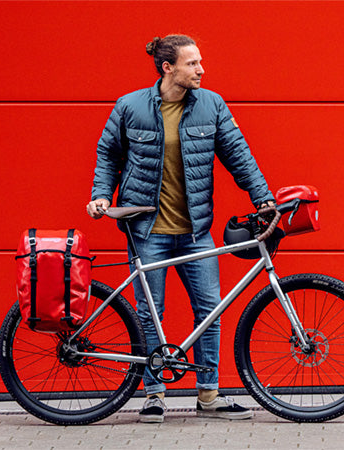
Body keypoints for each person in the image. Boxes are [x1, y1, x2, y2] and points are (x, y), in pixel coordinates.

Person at [87, 34, 275, 423]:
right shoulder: (131, 106)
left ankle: (209, 396)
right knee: (150, 312)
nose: (202, 70)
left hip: (195, 231)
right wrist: (101, 195)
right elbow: (108, 154)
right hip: (146, 230)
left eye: (200, 62)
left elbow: (239, 155)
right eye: (193, 64)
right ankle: (153, 394)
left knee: (209, 310)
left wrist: (264, 199)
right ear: (167, 67)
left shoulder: (211, 105)